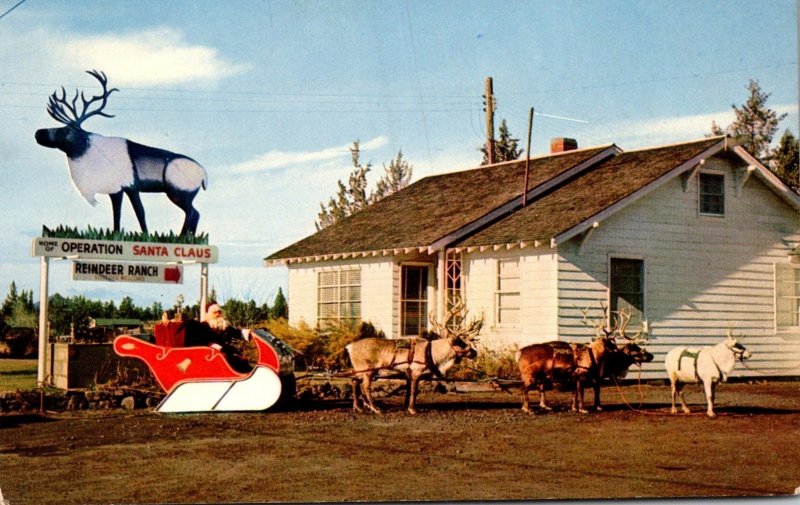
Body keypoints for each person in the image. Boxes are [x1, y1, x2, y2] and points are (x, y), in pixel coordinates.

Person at [184, 304, 253, 373]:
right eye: (215, 312)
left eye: (219, 312)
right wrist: (215, 347)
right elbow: (200, 341)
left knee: (241, 359)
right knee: (231, 359)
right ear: (210, 314)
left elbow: (236, 332)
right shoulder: (204, 326)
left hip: (225, 350)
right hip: (210, 354)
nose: (218, 314)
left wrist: (247, 332)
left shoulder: (224, 326)